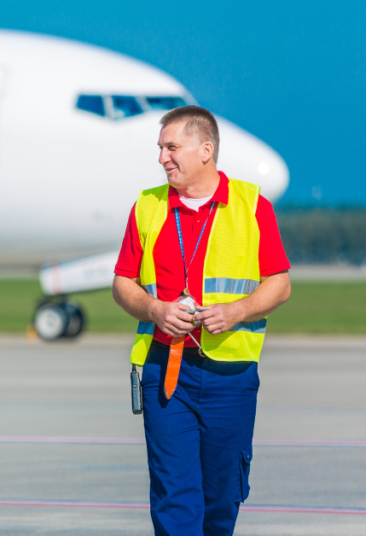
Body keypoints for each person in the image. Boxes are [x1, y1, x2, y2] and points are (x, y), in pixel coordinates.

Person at [112, 105, 291, 536]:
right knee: (174, 497)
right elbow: (123, 283)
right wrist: (156, 310)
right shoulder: (147, 206)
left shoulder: (252, 206)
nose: (162, 158)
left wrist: (237, 311)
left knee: (221, 496)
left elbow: (279, 285)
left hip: (230, 376)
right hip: (165, 372)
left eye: (172, 147)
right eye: (160, 149)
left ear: (205, 149)